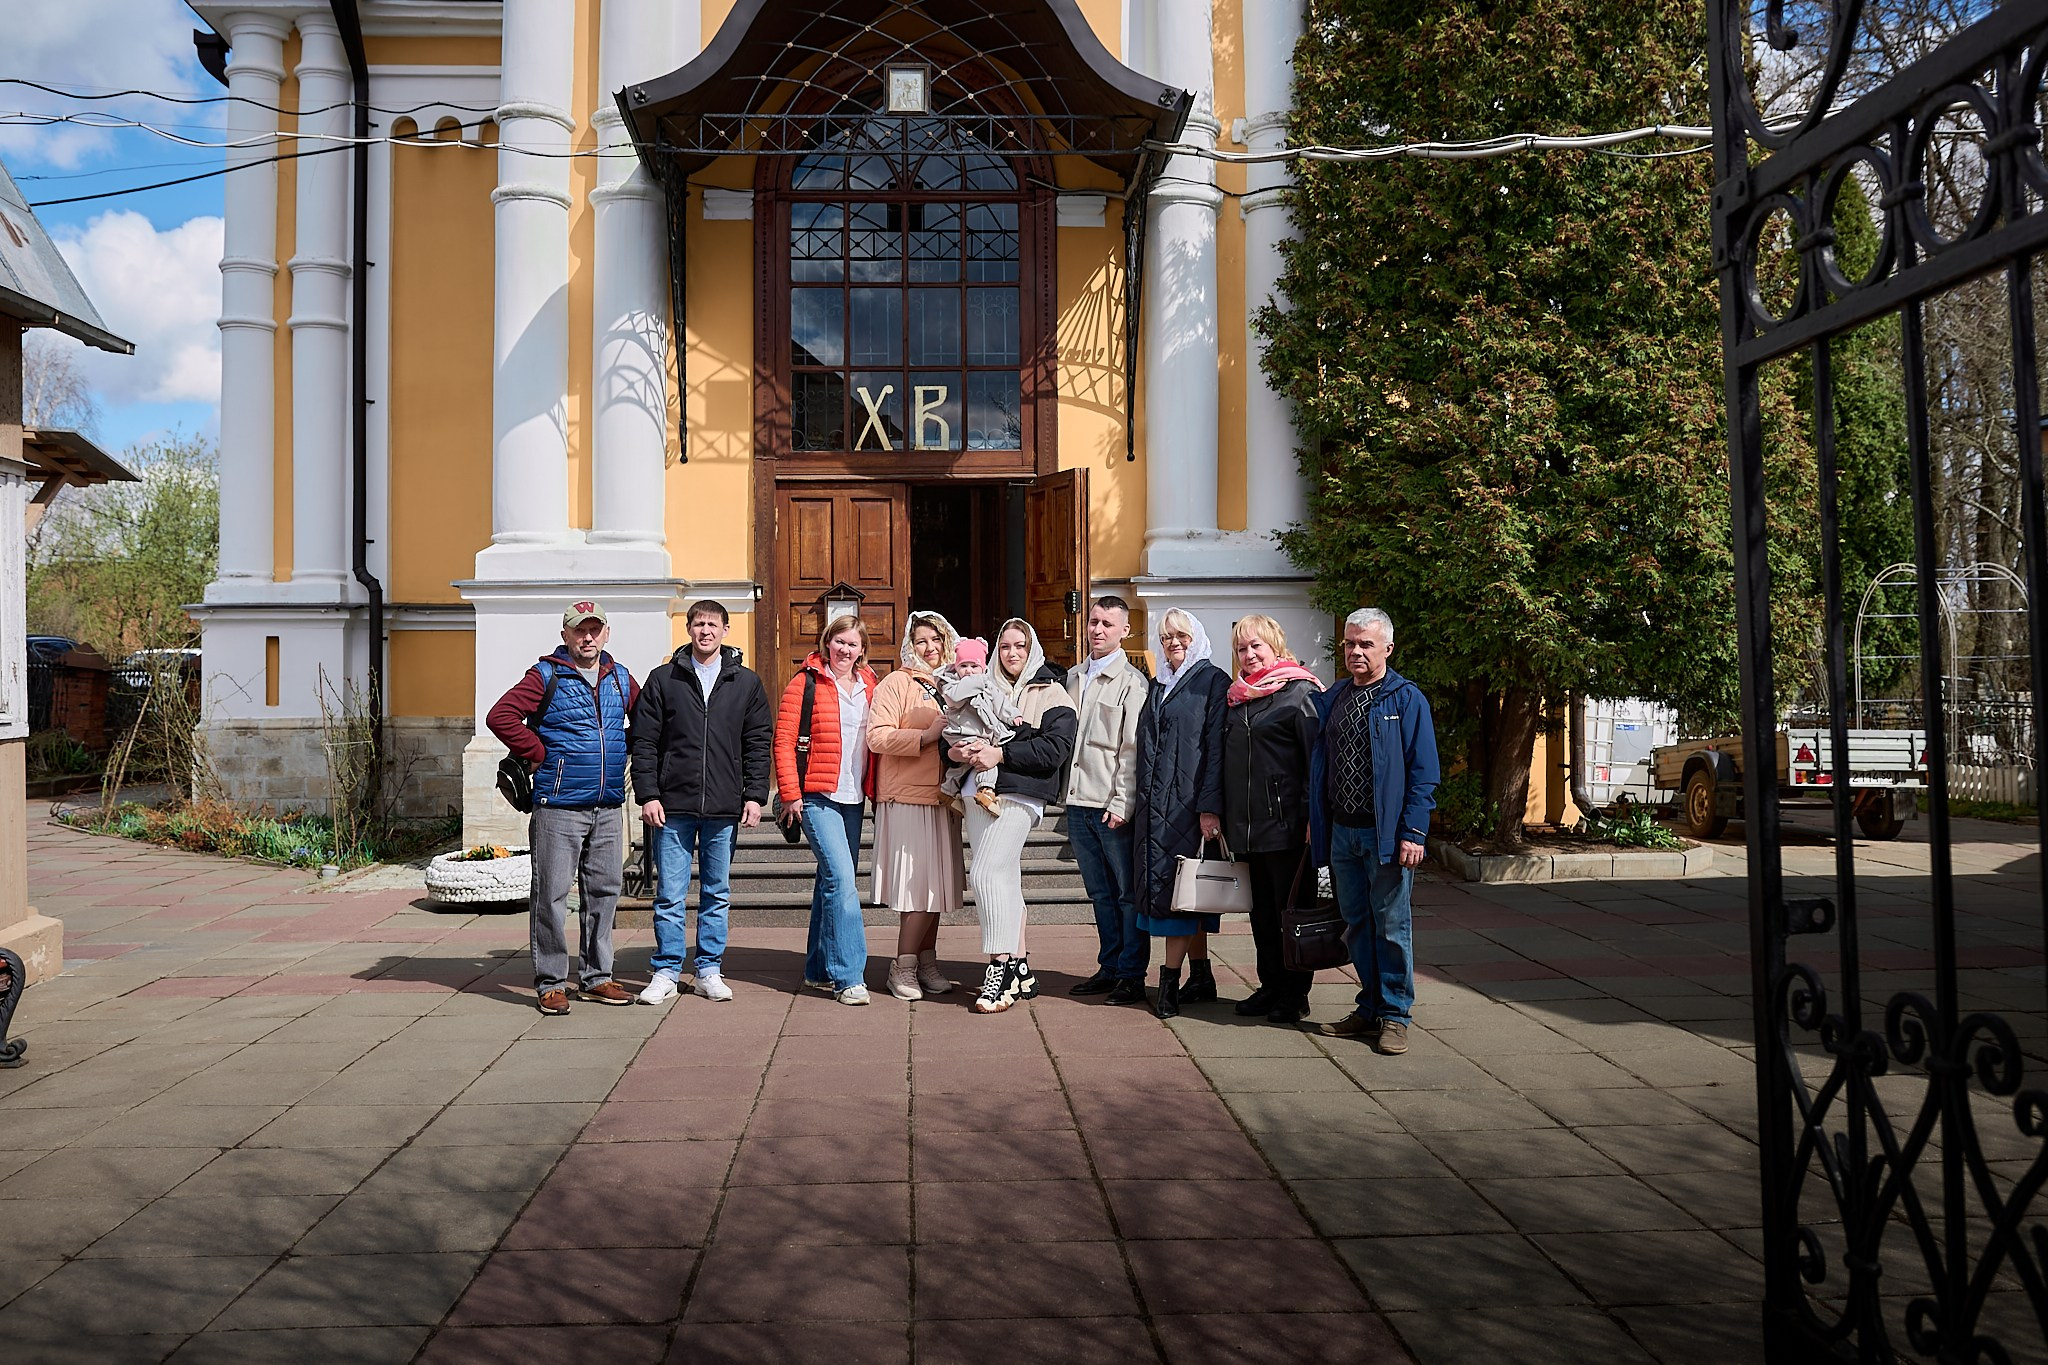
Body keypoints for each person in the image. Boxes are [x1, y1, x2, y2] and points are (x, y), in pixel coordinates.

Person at [485, 600, 640, 1015]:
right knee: (551, 895)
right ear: (565, 635)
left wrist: (626, 749)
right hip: (558, 805)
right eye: (579, 630)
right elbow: (501, 716)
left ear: (606, 633)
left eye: (594, 630)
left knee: (604, 892)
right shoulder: (545, 675)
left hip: (608, 805)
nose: (587, 638)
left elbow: (646, 722)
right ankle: (551, 982)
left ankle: (597, 978)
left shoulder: (620, 678)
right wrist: (538, 752)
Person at [628, 600, 773, 1006]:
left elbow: (757, 741)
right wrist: (648, 794)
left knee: (716, 892)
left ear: (726, 630)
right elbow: (644, 740)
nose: (705, 631)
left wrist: (754, 794)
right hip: (672, 805)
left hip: (724, 805)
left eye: (712, 624)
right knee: (670, 895)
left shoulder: (745, 682)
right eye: (698, 624)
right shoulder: (664, 679)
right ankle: (666, 971)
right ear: (688, 629)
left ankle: (709, 969)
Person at [1310, 607, 1439, 1056]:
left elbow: (1424, 773)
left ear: (1388, 648)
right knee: (1357, 925)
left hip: (1385, 837)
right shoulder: (1336, 696)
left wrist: (1414, 832)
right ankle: (1369, 1007)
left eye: (1366, 644)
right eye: (1350, 643)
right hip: (1342, 833)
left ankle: (1396, 1015)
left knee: (1392, 926)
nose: (1356, 651)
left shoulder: (1405, 699)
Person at [953, 618, 1075, 1014]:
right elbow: (951, 733)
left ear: (1032, 648)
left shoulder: (1052, 691)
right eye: (1005, 646)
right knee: (1004, 877)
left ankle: (999, 967)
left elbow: (1055, 749)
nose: (1012, 653)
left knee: (985, 874)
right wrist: (955, 752)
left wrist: (1001, 753)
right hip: (976, 793)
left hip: (1022, 794)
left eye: (1020, 645)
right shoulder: (980, 684)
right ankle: (1021, 967)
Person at [1222, 613, 1325, 1024]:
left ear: (1275, 646)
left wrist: (1312, 817)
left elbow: (1316, 761)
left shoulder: (1299, 692)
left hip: (1287, 826)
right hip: (1246, 827)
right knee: (1261, 914)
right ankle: (1269, 986)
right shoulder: (1238, 696)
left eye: (1256, 646)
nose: (1248, 655)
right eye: (1241, 649)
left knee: (1290, 914)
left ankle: (1295, 994)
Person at [775, 615, 879, 1005]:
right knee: (843, 881)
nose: (845, 650)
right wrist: (790, 793)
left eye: (853, 644)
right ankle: (848, 976)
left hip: (853, 798)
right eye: (839, 642)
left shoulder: (870, 684)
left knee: (829, 881)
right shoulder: (805, 682)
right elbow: (784, 741)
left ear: (862, 649)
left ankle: (818, 968)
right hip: (816, 795)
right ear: (827, 642)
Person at [1132, 609, 1230, 1018]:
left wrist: (1209, 808)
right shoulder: (1160, 684)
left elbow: (1216, 751)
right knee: (1188, 894)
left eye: (1181, 636)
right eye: (1166, 636)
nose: (1173, 642)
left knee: (1180, 897)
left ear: (1196, 638)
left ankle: (1168, 985)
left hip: (1189, 807)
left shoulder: (1213, 681)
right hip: (1156, 805)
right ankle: (1202, 975)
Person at [868, 611, 967, 1002]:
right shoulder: (897, 683)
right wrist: (926, 736)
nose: (930, 647)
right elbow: (877, 737)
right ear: (910, 645)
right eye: (922, 640)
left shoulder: (954, 683)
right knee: (918, 888)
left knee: (936, 887)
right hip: (908, 797)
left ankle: (926, 961)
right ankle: (902, 966)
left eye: (936, 639)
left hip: (943, 796)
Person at [1063, 596, 1151, 1005]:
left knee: (1127, 895)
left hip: (1110, 805)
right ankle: (1109, 966)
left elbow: (1131, 750)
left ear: (1124, 631)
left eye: (1107, 624)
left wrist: (1122, 802)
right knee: (1099, 893)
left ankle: (1132, 974)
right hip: (1077, 802)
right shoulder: (1072, 677)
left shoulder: (1133, 683)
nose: (1097, 630)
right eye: (1093, 621)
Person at [936, 638, 1014, 815]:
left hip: (977, 733)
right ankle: (986, 791)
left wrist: (1013, 715)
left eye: (974, 666)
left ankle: (947, 791)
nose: (969, 671)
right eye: (963, 666)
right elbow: (955, 698)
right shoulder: (952, 684)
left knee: (966, 764)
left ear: (983, 667)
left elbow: (1000, 703)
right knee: (985, 760)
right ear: (956, 667)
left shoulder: (987, 684)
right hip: (961, 731)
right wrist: (979, 680)